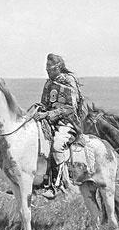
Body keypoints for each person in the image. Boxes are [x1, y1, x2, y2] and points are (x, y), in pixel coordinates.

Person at [33, 53, 84, 194]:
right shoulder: (48, 83)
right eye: (46, 68)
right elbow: (45, 103)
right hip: (49, 121)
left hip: (67, 122)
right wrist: (40, 110)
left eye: (50, 67)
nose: (47, 70)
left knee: (57, 145)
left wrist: (48, 114)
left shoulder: (68, 81)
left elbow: (70, 108)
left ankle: (57, 185)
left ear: (59, 67)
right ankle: (33, 181)